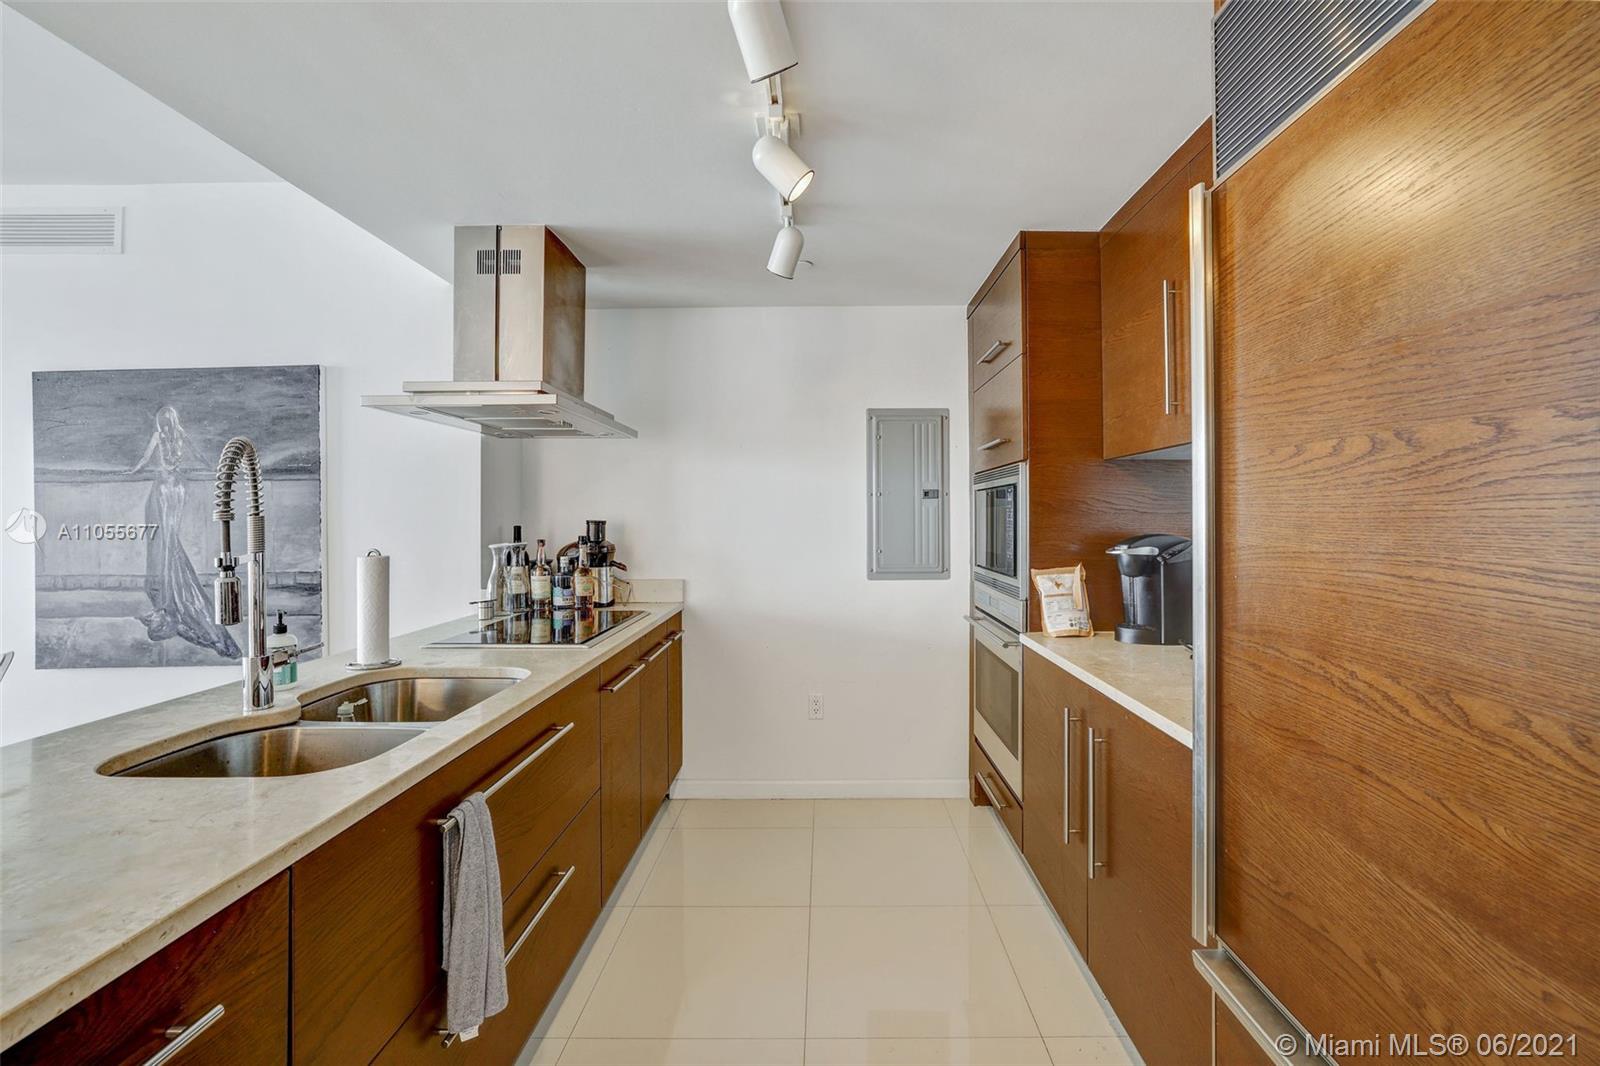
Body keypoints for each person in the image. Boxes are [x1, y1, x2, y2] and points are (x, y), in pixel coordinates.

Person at [127, 406, 240, 659]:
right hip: (178, 487)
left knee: (167, 543)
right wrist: (214, 468)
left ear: (161, 420)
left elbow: (146, 459)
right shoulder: (180, 435)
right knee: (171, 541)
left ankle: (171, 601)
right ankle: (172, 597)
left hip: (164, 488)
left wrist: (132, 471)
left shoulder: (159, 436)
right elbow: (199, 454)